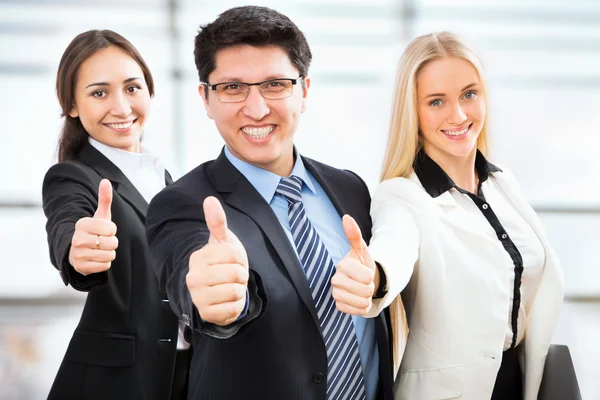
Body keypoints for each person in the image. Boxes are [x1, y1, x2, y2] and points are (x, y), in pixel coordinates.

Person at [145, 6, 394, 400]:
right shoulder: (182, 205)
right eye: (232, 88)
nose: (257, 108)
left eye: (275, 84)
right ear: (205, 100)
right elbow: (191, 276)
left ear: (304, 91)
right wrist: (217, 298)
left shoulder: (350, 190)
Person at [359, 32, 565, 399]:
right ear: (413, 112)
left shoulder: (503, 184)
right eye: (436, 101)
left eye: (469, 94)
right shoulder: (403, 196)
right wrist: (373, 277)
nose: (458, 115)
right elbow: (393, 249)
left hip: (515, 382)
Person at [42, 30, 189, 400]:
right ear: (72, 105)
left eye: (132, 88)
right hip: (114, 385)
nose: (122, 108)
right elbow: (68, 223)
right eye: (99, 93)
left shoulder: (166, 180)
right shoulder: (72, 176)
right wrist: (78, 251)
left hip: (183, 375)